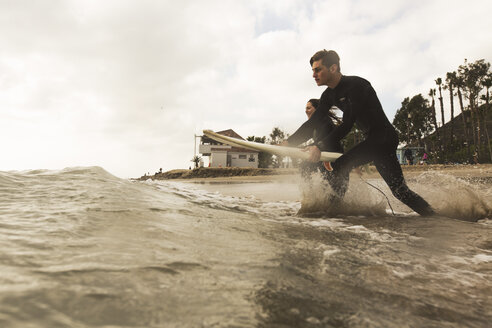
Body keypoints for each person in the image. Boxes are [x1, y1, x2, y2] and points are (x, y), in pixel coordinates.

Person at [288, 49, 434, 216]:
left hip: (382, 138)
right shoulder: (328, 95)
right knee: (399, 191)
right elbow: (313, 122)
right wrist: (289, 142)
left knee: (340, 165)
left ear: (333, 68)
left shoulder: (356, 86)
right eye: (313, 70)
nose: (314, 74)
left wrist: (319, 145)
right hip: (374, 141)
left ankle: (332, 212)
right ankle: (434, 216)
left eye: (318, 69)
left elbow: (348, 123)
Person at [283, 98, 344, 183]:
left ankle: (313, 193)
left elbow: (321, 140)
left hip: (335, 163)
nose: (306, 111)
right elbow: (301, 136)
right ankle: (309, 194)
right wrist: (288, 143)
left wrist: (289, 144)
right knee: (304, 166)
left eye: (309, 108)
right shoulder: (314, 126)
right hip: (324, 161)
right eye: (306, 109)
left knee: (334, 192)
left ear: (318, 110)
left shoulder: (326, 122)